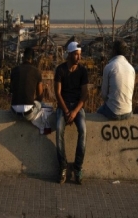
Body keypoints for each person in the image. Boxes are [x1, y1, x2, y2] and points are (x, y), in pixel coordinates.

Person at [54, 41, 88, 185]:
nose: (79, 58)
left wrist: (74, 112)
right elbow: (57, 93)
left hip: (77, 108)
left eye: (79, 54)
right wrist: (66, 110)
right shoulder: (60, 70)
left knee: (83, 131)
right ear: (69, 54)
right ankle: (63, 166)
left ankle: (78, 167)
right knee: (59, 129)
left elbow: (85, 95)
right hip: (64, 106)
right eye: (76, 54)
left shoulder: (83, 71)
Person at [97, 39, 135, 120]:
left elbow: (104, 95)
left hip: (113, 112)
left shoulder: (109, 67)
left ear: (114, 51)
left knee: (98, 112)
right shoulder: (131, 68)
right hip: (128, 112)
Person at [10, 47, 44, 124]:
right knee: (41, 105)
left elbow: (12, 89)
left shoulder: (14, 70)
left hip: (14, 112)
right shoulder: (37, 72)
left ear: (23, 58)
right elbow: (40, 96)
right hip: (28, 114)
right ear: (32, 59)